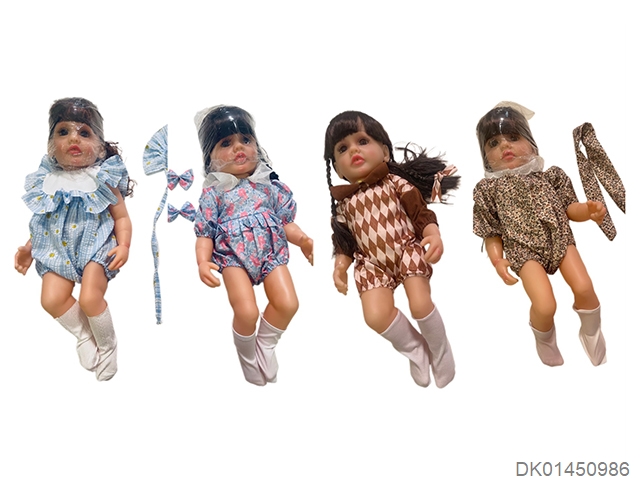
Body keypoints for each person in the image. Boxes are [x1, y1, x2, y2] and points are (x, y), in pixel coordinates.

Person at [323, 110, 458, 388]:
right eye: (342, 148)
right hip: (372, 264)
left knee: (420, 303)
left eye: (362, 141)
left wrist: (432, 233)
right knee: (374, 315)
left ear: (385, 151)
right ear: (337, 168)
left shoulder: (395, 183)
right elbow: (344, 242)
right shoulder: (344, 206)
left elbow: (420, 213)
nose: (354, 150)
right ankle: (415, 349)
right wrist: (340, 265)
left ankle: (440, 350)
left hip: (406, 249)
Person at [473, 101, 607, 366]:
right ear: (485, 156)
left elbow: (569, 208)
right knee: (545, 305)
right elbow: (490, 230)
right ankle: (544, 337)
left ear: (532, 145)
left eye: (513, 137)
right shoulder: (488, 190)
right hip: (524, 251)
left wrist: (588, 211)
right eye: (493, 143)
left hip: (560, 239)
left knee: (584, 287)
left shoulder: (551, 177)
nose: (505, 146)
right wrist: (497, 260)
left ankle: (591, 331)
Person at [15, 97, 133, 381]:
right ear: (51, 143)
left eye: (84, 132)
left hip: (96, 248)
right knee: (51, 299)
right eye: (63, 132)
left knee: (90, 298)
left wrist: (124, 245)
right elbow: (44, 221)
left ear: (100, 145)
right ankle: (84, 334)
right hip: (56, 250)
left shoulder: (102, 179)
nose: (73, 139)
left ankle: (108, 345)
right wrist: (29, 248)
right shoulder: (47, 181)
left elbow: (121, 218)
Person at [194, 105, 313, 386]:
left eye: (246, 140)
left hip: (271, 254)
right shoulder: (215, 193)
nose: (239, 148)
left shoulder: (268, 185)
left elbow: (285, 221)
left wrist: (303, 240)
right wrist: (203, 261)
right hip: (233, 258)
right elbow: (205, 232)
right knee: (247, 312)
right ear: (210, 157)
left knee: (288, 303)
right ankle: (247, 355)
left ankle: (266, 343)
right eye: (226, 143)